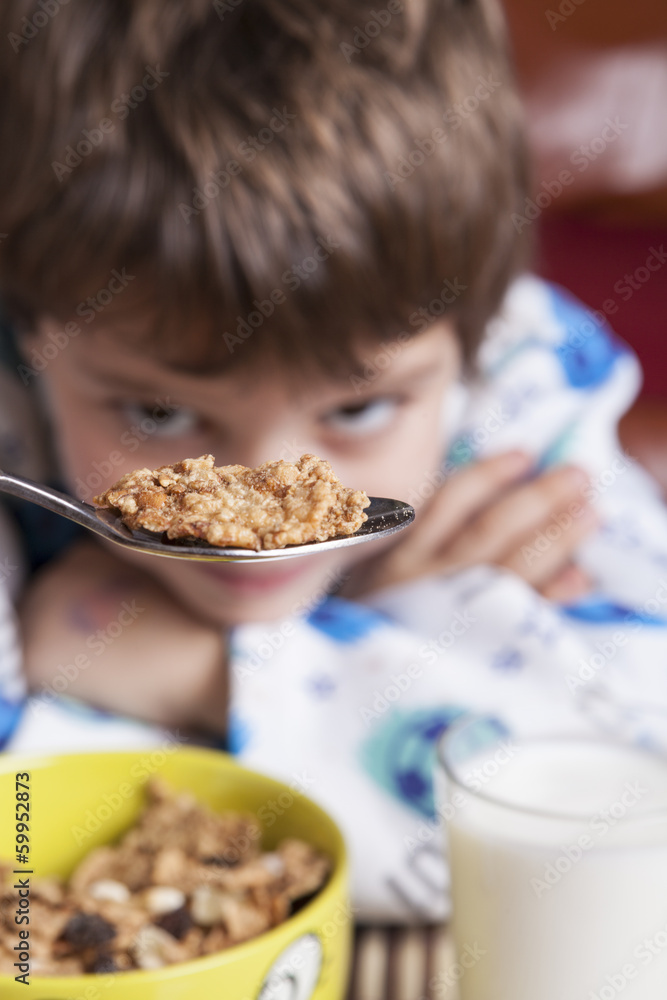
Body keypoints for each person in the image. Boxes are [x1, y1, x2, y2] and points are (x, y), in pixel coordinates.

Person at [1, 0, 667, 921]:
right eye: (157, 411)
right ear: (31, 337)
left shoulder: (523, 393)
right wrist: (422, 647)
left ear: (473, 344)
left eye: (357, 408)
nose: (263, 494)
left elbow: (630, 787)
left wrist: (194, 673)